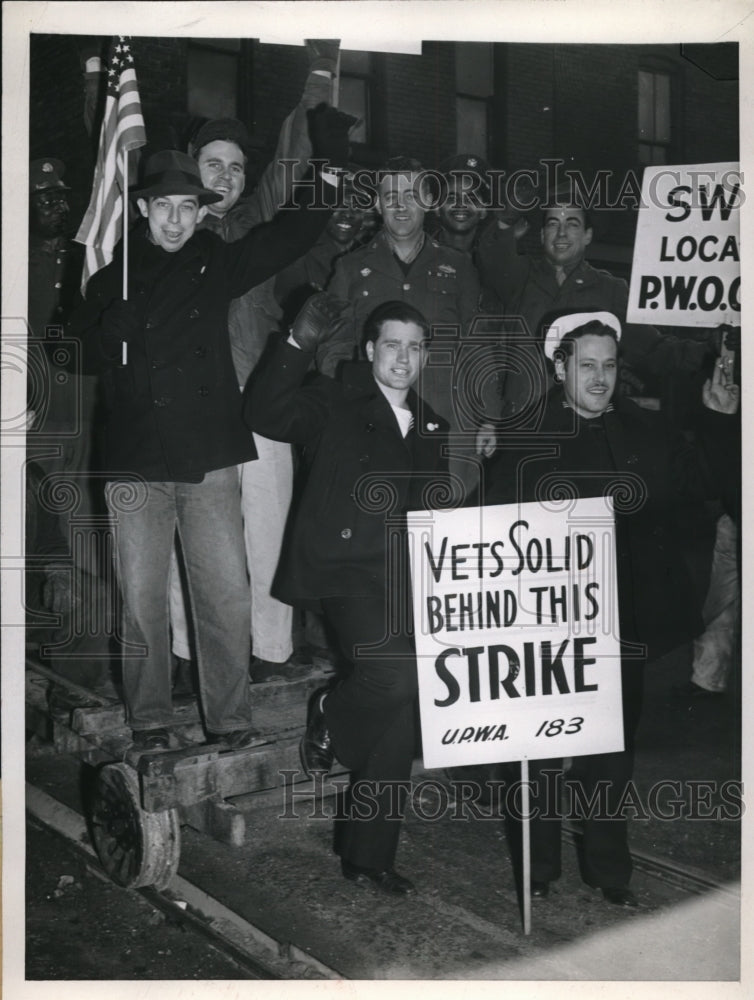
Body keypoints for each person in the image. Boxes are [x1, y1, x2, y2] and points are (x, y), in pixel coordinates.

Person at [67, 112, 349, 751]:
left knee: (224, 595)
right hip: (136, 465)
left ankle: (230, 720)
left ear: (201, 214)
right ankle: (149, 721)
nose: (174, 219)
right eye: (162, 206)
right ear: (143, 211)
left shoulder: (217, 263)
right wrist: (113, 325)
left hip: (209, 457)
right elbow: (71, 351)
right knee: (141, 604)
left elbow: (294, 232)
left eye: (186, 208)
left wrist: (330, 157)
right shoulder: (113, 277)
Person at [482, 310, 739, 907]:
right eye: (587, 364)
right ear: (560, 367)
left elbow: (705, 480)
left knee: (611, 751)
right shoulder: (525, 435)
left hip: (619, 620)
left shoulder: (643, 432)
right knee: (540, 751)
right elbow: (491, 529)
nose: (600, 377)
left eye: (609, 364)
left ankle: (609, 871)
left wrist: (722, 422)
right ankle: (537, 868)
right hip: (544, 622)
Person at [244, 298, 451, 895]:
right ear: (368, 351)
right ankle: (330, 711)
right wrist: (295, 341)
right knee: (394, 678)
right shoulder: (334, 398)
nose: (403, 358)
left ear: (425, 355)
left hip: (407, 577)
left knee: (400, 711)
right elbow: (265, 413)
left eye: (414, 347)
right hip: (344, 571)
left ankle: (368, 856)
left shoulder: (432, 422)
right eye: (392, 344)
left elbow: (435, 512)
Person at [167, 46, 341, 682]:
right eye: (213, 163)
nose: (226, 175)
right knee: (196, 534)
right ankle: (191, 653)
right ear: (193, 170)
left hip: (261, 396)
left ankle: (271, 649)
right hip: (195, 404)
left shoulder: (259, 220)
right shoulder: (172, 229)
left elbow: (295, 153)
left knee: (267, 525)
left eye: (236, 166)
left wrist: (319, 76)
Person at [475, 198, 718, 453]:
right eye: (553, 224)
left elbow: (654, 350)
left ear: (588, 235)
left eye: (572, 224)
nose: (561, 233)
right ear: (541, 234)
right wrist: (504, 222)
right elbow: (490, 258)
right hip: (524, 426)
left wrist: (710, 349)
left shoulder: (610, 290)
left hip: (586, 432)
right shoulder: (519, 277)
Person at [315, 156, 483, 498]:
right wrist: (352, 401)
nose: (401, 206)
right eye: (391, 196)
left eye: (412, 195)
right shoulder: (349, 268)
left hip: (445, 421)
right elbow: (332, 345)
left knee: (442, 527)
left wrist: (489, 415)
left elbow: (477, 343)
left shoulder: (459, 266)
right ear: (377, 204)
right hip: (372, 421)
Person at [28, 158, 101, 530]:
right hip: (36, 412)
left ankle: (85, 587)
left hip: (84, 407)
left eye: (62, 199)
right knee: (35, 518)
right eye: (46, 201)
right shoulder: (15, 268)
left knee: (84, 517)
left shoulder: (87, 261)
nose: (61, 207)